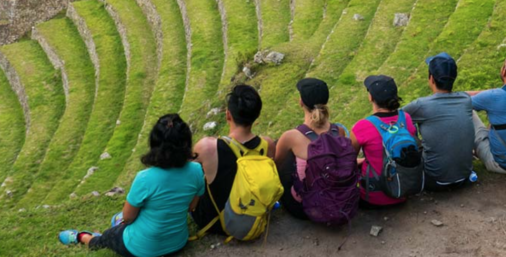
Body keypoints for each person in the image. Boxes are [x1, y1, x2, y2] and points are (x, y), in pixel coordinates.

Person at [59, 114, 206, 257]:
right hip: (177, 243)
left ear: (155, 145)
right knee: (123, 219)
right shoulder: (197, 170)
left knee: (110, 234)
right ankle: (116, 224)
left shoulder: (144, 178)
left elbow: (128, 218)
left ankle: (83, 238)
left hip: (142, 249)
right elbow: (190, 207)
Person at [189, 85, 275, 236]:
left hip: (214, 222)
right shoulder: (267, 145)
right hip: (253, 216)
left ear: (228, 115)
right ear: (257, 115)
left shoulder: (208, 147)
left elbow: (187, 179)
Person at [274, 78, 357, 220]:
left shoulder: (291, 137)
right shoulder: (339, 131)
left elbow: (276, 165)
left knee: (284, 156)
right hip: (340, 201)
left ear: (301, 102)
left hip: (306, 208)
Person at [403, 53, 475, 190]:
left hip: (434, 181)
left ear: (431, 78)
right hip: (464, 177)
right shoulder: (465, 100)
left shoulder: (421, 105)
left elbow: (393, 117)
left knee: (405, 127)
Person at [351, 75, 418, 207]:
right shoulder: (406, 119)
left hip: (372, 198)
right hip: (403, 191)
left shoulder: (362, 126)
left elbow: (348, 159)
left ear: (371, 97)